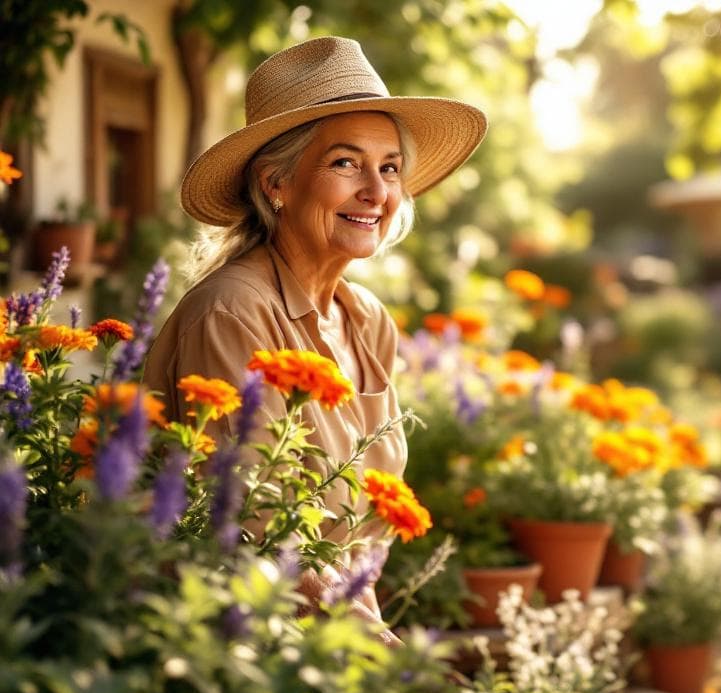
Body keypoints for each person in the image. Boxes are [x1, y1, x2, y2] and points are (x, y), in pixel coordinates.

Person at [143, 36, 486, 632]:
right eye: (345, 163)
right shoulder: (233, 314)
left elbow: (358, 545)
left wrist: (371, 661)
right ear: (276, 183)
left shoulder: (368, 321)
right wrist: (383, 672)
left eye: (389, 168)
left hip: (331, 645)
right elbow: (254, 531)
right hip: (228, 649)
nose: (376, 193)